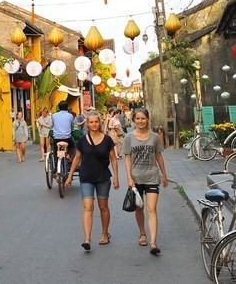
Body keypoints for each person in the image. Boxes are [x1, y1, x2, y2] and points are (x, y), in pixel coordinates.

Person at [66, 112, 119, 250]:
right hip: (86, 178)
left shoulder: (107, 140)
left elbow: (113, 158)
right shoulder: (82, 140)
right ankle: (87, 239)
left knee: (103, 207)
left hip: (102, 177)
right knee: (88, 207)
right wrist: (70, 176)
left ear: (99, 123)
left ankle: (104, 233)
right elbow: (77, 158)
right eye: (91, 122)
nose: (94, 124)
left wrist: (116, 178)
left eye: (96, 122)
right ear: (87, 124)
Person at [123, 107, 168, 256]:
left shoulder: (154, 136)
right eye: (137, 119)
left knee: (152, 208)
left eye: (143, 118)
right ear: (134, 120)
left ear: (147, 119)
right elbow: (127, 158)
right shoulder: (129, 137)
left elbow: (159, 156)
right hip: (136, 178)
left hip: (152, 176)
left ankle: (153, 242)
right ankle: (142, 233)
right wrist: (129, 178)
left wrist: (164, 174)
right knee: (139, 208)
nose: (140, 121)